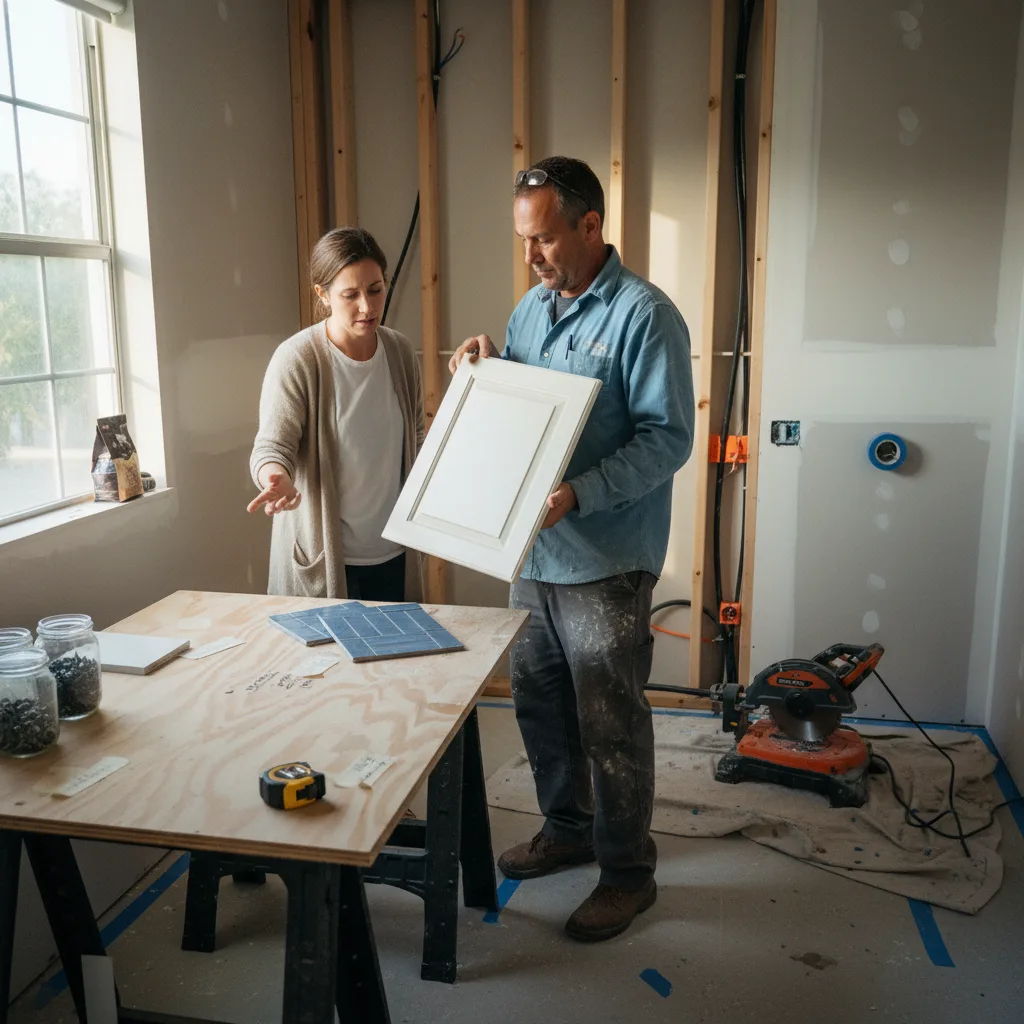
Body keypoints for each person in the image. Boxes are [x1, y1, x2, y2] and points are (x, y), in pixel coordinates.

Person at [450, 156, 694, 942]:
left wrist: (579, 492)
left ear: (591, 227)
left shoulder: (644, 316)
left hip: (606, 559)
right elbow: (527, 413)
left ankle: (627, 872)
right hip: (536, 557)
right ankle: (567, 828)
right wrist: (483, 371)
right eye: (525, 240)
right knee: (540, 703)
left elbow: (668, 439)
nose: (532, 256)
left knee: (611, 720)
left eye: (546, 238)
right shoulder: (529, 312)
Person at [249, 227, 424, 602]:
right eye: (350, 295)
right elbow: (271, 446)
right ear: (323, 295)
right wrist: (275, 478)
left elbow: (417, 440)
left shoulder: (400, 352)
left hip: (394, 554)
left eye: (376, 289)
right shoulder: (298, 359)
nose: (368, 306)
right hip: (326, 561)